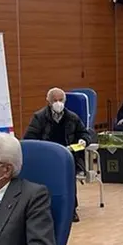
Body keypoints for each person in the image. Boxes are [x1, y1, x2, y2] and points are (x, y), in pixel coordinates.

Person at [24, 87, 91, 222]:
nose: (58, 103)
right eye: (55, 100)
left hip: (68, 156)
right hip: (47, 156)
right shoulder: (39, 117)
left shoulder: (72, 117)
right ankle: (44, 209)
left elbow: (84, 133)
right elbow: (29, 138)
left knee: (68, 179)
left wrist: (84, 140)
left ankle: (71, 210)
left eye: (60, 100)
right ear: (48, 101)